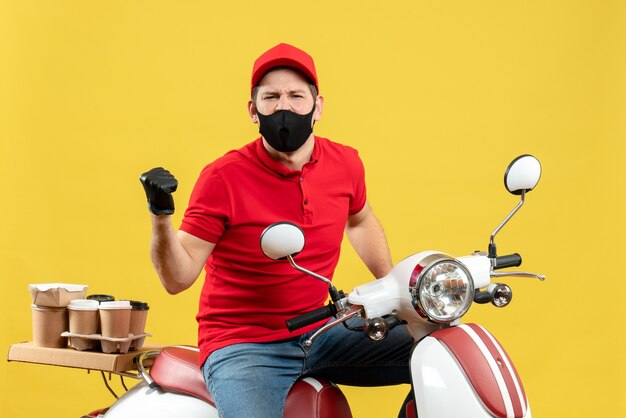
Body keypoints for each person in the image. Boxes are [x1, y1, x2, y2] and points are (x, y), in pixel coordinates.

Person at [140, 43, 414, 418]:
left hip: (320, 330)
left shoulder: (346, 163)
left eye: (296, 96)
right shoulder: (223, 177)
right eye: (271, 97)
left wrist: (395, 287)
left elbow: (360, 218)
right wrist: (161, 217)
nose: (284, 107)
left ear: (317, 106)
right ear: (253, 111)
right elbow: (178, 278)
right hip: (244, 344)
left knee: (440, 350)